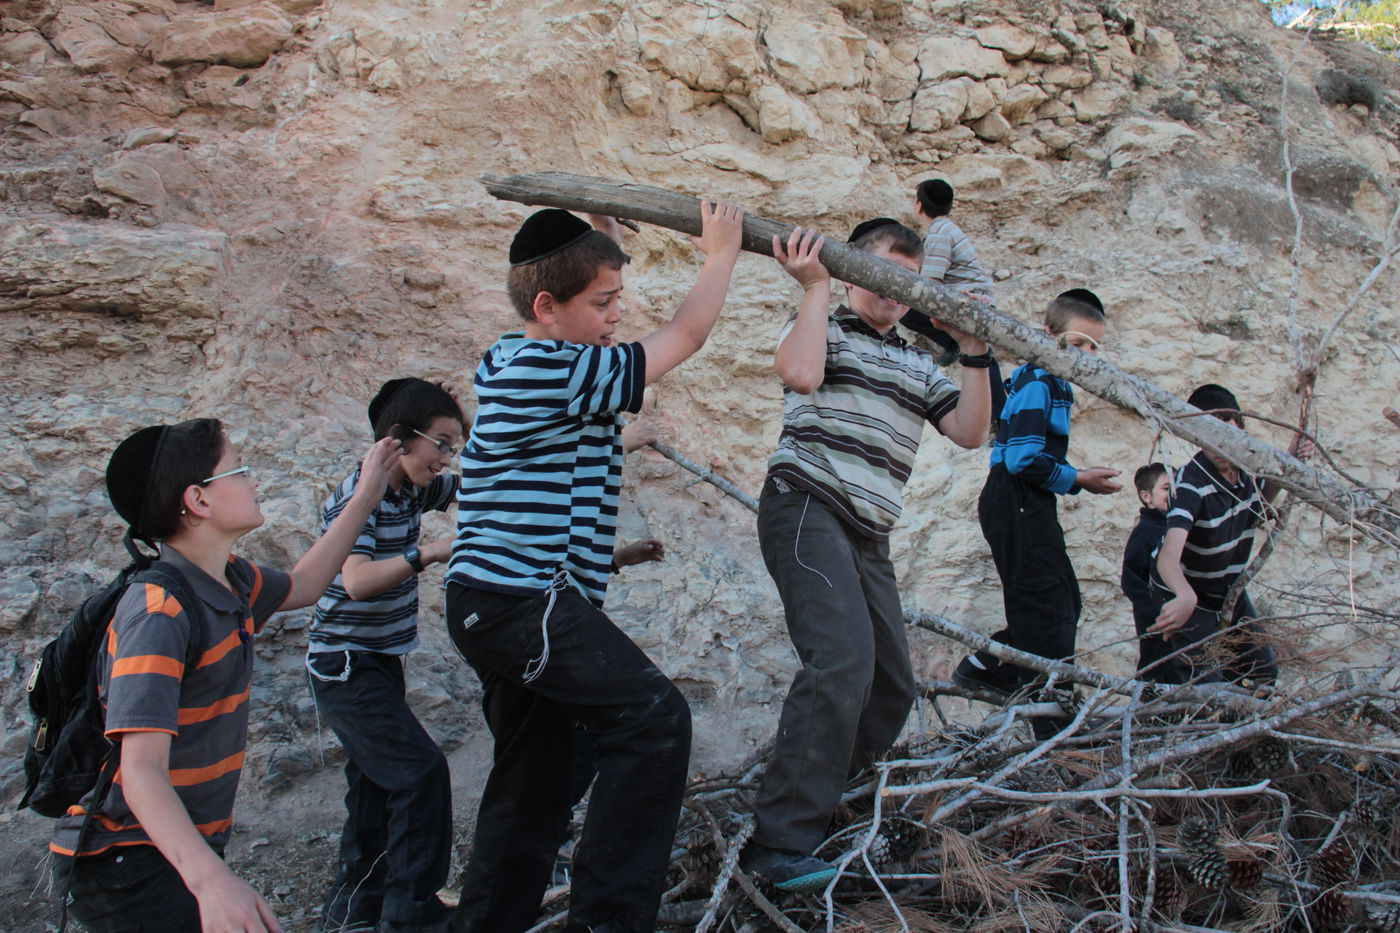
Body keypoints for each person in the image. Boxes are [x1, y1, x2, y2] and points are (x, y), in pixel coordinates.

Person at [444, 202, 744, 933]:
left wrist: (601, 234)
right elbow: (686, 335)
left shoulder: (525, 356)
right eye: (604, 303)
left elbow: (579, 290)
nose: (617, 316)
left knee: (535, 783)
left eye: (619, 300)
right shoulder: (554, 366)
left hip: (500, 602)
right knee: (654, 719)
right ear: (548, 306)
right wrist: (719, 257)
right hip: (520, 601)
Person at [50, 419, 400, 933]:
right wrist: (212, 880)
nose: (254, 481)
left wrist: (367, 495)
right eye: (240, 470)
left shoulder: (232, 581)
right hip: (125, 860)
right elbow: (141, 771)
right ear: (198, 500)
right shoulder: (159, 611)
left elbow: (304, 583)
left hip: (172, 849)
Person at [741, 219, 994, 893]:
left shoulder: (918, 360)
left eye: (908, 282)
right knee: (842, 658)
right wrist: (817, 286)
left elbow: (970, 432)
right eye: (883, 272)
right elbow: (799, 371)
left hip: (869, 533)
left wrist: (973, 352)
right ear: (855, 271)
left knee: (890, 683)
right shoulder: (823, 324)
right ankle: (777, 843)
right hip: (807, 506)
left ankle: (831, 816)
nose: (894, 291)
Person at [305, 378, 471, 933]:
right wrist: (429, 552)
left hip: (376, 661)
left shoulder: (412, 489)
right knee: (420, 774)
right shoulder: (362, 494)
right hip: (344, 664)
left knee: (374, 793)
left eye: (454, 447)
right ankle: (413, 916)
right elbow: (356, 581)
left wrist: (448, 413)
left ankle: (351, 915)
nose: (447, 460)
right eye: (442, 444)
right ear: (399, 439)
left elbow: (484, 490)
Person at [953, 289, 1122, 702]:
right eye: (1076, 343)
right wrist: (1078, 478)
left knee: (1063, 599)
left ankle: (987, 668)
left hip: (1027, 500)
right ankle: (1053, 704)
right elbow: (1022, 460)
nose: (1084, 354)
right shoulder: (1043, 380)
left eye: (1093, 347)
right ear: (1048, 336)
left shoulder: (1048, 381)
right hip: (1017, 497)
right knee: (1049, 608)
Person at [1147, 384, 1311, 685]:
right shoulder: (1190, 485)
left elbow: (1259, 502)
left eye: (1229, 437)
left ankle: (1248, 726)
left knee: (1262, 673)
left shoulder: (1246, 468)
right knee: (1205, 685)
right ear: (1196, 436)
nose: (1222, 449)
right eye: (1212, 440)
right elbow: (1169, 554)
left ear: (1241, 432)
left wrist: (1292, 460)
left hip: (1228, 590)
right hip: (1186, 590)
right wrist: (1184, 595)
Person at [900, 178, 1007, 418]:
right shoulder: (945, 228)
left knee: (907, 309)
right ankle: (953, 344)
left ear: (919, 206)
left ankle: (1000, 415)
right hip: (967, 295)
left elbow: (929, 285)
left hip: (972, 299)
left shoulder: (939, 233)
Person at [1120, 463, 1171, 678]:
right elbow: (1131, 582)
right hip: (1157, 625)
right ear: (1146, 496)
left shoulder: (1180, 528)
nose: (1175, 493)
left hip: (1187, 620)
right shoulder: (1144, 533)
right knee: (1157, 672)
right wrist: (1159, 614)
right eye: (1167, 488)